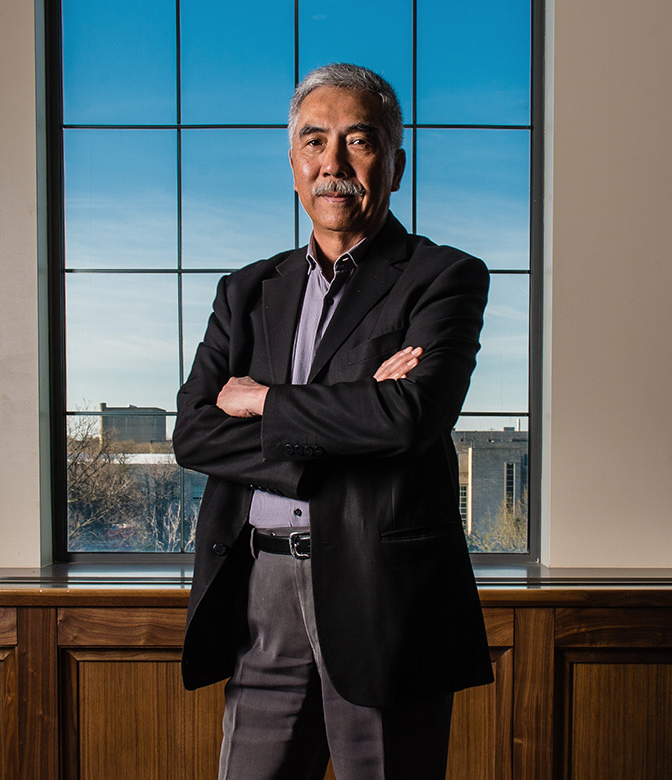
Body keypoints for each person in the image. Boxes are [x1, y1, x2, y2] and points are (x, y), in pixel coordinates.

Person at [172, 63, 495, 779]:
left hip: (384, 590)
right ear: (293, 165)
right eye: (315, 142)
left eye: (360, 141)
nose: (334, 163)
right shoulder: (247, 289)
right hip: (259, 583)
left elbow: (410, 416)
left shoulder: (444, 276)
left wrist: (262, 401)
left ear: (396, 165)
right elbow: (192, 431)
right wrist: (350, 420)